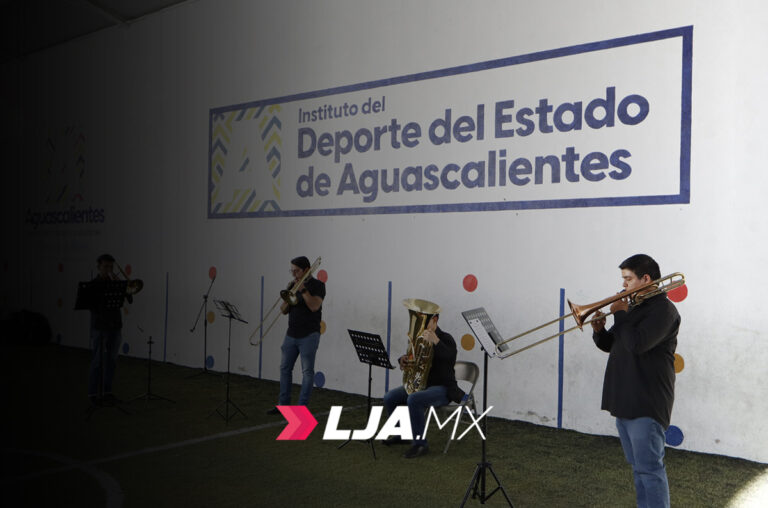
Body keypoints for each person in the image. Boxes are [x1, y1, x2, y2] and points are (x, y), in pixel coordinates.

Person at [591, 254, 680, 508]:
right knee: (639, 469)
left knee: (650, 470)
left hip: (647, 401)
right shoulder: (635, 307)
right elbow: (616, 345)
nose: (624, 285)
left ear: (646, 279)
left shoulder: (664, 310)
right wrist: (599, 331)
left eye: (628, 279)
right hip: (625, 398)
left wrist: (620, 314)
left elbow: (638, 344)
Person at [382, 311, 465, 459]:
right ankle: (402, 435)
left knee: (414, 399)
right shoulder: (418, 339)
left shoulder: (446, 338)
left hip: (444, 388)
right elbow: (412, 357)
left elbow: (450, 357)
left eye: (424, 322)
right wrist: (404, 359)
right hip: (422, 384)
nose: (421, 327)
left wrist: (436, 341)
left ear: (434, 321)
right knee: (390, 397)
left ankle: (420, 444)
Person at [266, 256, 325, 414]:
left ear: (306, 270)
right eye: (292, 271)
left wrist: (303, 290)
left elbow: (314, 306)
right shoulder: (292, 284)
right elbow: (284, 311)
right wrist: (288, 296)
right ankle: (283, 405)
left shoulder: (318, 285)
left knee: (307, 372)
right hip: (291, 334)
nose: (294, 274)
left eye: (296, 271)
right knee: (285, 369)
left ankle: (301, 408)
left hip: (309, 335)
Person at [88, 253, 132, 405]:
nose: (109, 270)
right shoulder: (94, 284)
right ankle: (93, 393)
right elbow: (91, 305)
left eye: (111, 267)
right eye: (105, 266)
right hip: (100, 326)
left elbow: (130, 299)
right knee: (97, 361)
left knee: (112, 360)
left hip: (115, 325)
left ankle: (107, 391)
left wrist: (122, 287)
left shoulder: (115, 283)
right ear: (99, 267)